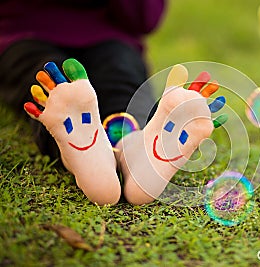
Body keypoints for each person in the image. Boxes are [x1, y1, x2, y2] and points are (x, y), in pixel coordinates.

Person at [0, 0, 227, 206]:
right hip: (24, 34)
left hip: (107, 36)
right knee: (62, 89)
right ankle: (98, 148)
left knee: (62, 83)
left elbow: (145, 18)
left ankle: (132, 148)